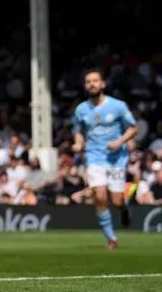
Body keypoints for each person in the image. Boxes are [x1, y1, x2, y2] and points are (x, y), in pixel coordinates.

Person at [71, 68, 138, 248]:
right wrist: (78, 143)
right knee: (99, 196)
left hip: (116, 158)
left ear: (103, 84)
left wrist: (120, 141)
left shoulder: (117, 106)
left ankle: (124, 207)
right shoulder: (81, 109)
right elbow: (78, 130)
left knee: (116, 200)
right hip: (94, 157)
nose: (92, 84)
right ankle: (111, 238)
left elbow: (133, 128)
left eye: (95, 80)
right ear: (85, 86)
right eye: (88, 81)